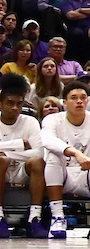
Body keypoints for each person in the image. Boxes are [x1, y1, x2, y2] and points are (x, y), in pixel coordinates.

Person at [41, 80, 90, 239]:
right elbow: (48, 140)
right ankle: (58, 217)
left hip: (89, 176)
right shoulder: (52, 119)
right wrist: (76, 153)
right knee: (52, 155)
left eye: (83, 97)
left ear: (88, 101)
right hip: (62, 176)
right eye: (73, 98)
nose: (79, 101)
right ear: (64, 102)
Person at [0, 74, 49, 237]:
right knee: (1, 161)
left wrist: (6, 151)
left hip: (23, 171)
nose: (15, 108)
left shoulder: (30, 121)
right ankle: (0, 217)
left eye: (19, 104)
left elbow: (38, 152)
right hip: (2, 169)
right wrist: (20, 144)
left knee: (36, 161)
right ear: (0, 103)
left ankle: (34, 217)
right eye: (10, 103)